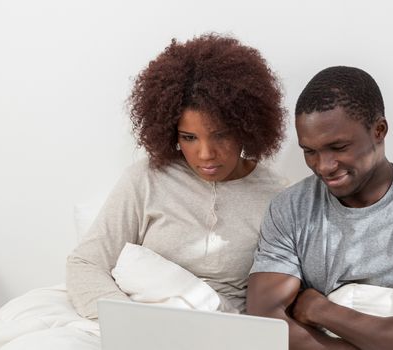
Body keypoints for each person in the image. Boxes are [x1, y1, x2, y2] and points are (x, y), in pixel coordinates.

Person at [247, 66, 393, 350]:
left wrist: (322, 311)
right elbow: (263, 322)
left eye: (338, 147)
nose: (323, 166)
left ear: (379, 130)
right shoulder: (289, 208)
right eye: (310, 151)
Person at [66, 33, 287, 319]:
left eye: (221, 135)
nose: (206, 153)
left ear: (247, 127)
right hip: (139, 321)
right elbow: (85, 263)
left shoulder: (277, 197)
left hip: (224, 329)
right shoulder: (148, 178)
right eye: (189, 137)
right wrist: (125, 321)